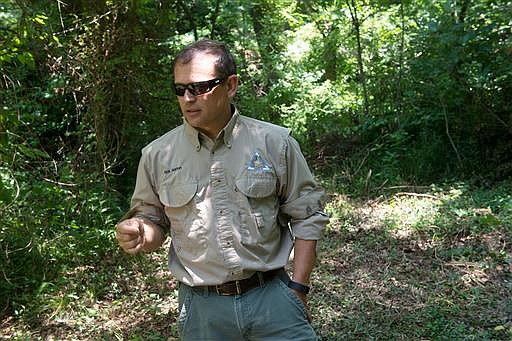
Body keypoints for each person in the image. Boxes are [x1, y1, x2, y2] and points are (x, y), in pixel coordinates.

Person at [115, 39, 329, 340]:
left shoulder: (274, 143)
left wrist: (299, 288)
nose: (188, 98)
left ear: (230, 85)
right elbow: (154, 221)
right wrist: (141, 232)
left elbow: (307, 215)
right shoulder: (158, 155)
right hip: (202, 311)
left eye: (200, 87)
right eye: (180, 89)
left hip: (272, 298)